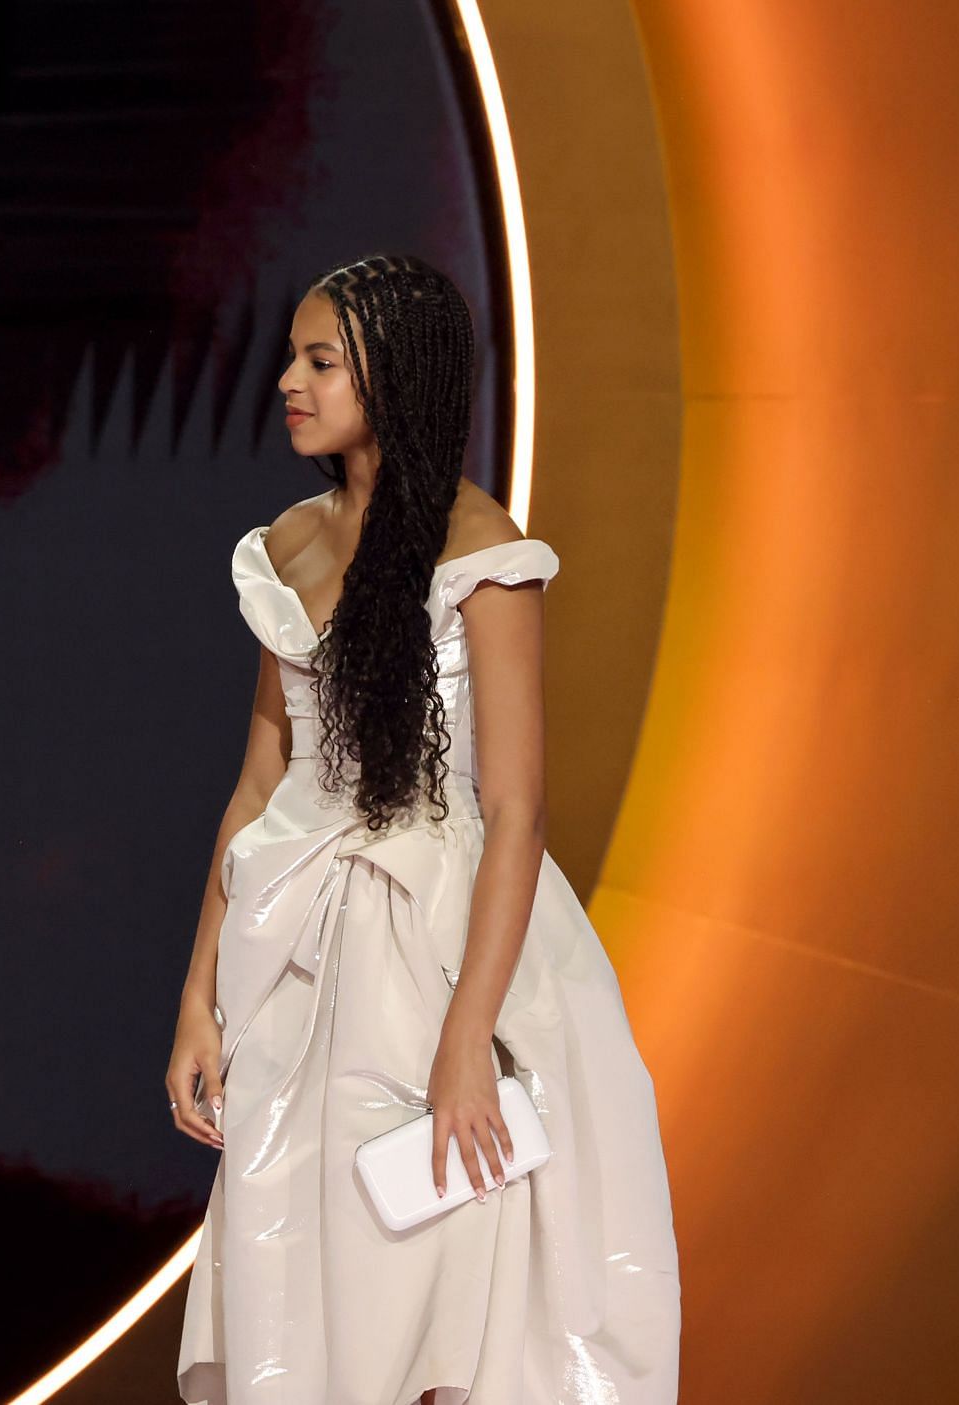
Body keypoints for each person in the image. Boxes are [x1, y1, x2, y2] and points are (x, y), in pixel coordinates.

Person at [168, 255, 679, 1404]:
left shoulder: (481, 547)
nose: (290, 383)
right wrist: (198, 997)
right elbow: (259, 789)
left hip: (444, 953)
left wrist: (467, 1039)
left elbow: (516, 812)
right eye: (292, 357)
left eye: (321, 361)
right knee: (296, 1279)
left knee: (449, 1274)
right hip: (296, 954)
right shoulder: (287, 544)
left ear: (393, 376)